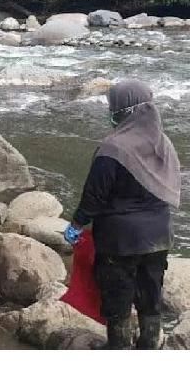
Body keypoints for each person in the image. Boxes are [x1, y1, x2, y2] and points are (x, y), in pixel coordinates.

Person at [64, 79, 181, 349]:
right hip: (159, 238)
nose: (110, 113)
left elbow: (94, 196)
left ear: (124, 111)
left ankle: (119, 353)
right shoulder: (165, 145)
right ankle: (149, 347)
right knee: (150, 297)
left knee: (118, 301)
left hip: (120, 243)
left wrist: (77, 225)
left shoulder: (113, 149)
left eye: (113, 108)